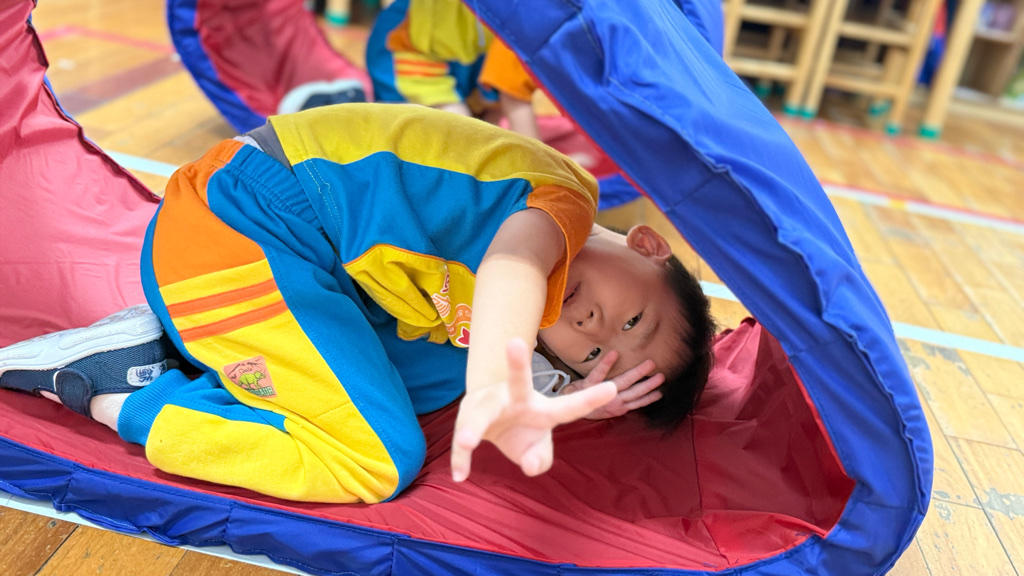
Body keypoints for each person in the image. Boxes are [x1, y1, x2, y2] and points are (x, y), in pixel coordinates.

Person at [0, 103, 714, 503]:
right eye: (634, 318)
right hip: (232, 234)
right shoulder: (561, 204)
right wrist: (502, 388)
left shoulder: (544, 298)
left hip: (276, 243)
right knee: (375, 461)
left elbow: (511, 319)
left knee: (444, 374)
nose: (592, 325)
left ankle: (177, 351)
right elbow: (511, 266)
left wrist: (567, 390)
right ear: (650, 246)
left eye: (595, 354)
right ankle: (124, 391)